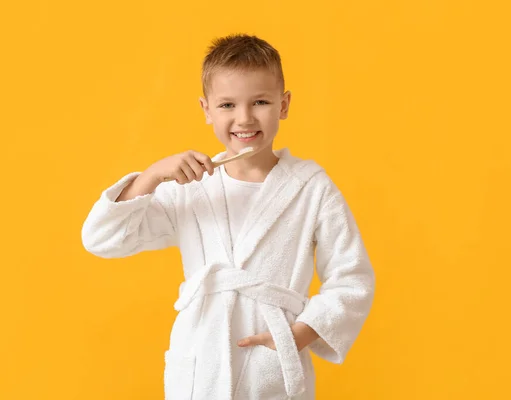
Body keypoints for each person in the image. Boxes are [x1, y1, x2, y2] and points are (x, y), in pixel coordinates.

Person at [82, 33, 375, 400]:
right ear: (206, 110)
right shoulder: (191, 186)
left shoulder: (311, 187)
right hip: (200, 365)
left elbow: (352, 278)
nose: (244, 118)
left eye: (261, 101)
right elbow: (101, 238)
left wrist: (298, 335)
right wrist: (151, 176)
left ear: (283, 105)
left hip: (272, 365)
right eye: (227, 105)